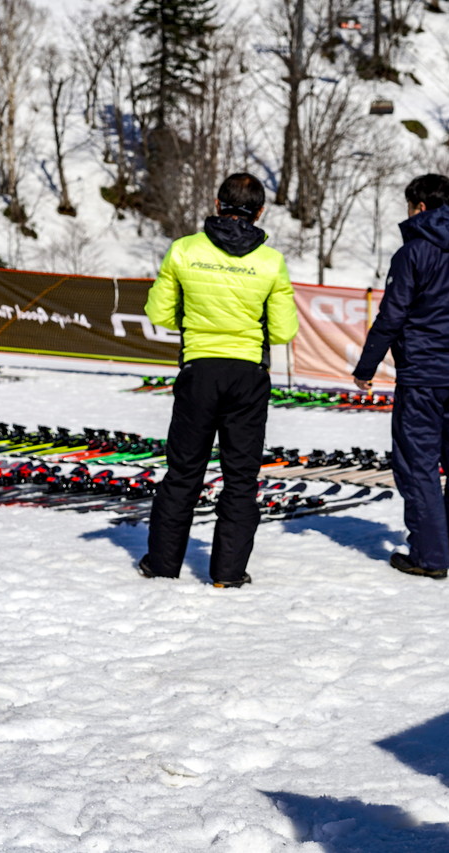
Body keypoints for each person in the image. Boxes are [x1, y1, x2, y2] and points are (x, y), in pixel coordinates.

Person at [138, 173, 299, 588]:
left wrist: (194, 324)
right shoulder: (270, 261)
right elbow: (281, 332)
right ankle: (227, 573)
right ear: (260, 211)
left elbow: (158, 313)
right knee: (240, 477)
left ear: (216, 203)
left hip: (199, 370)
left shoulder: (184, 250)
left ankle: (162, 565)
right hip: (247, 374)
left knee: (184, 472)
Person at [352, 173, 449, 581]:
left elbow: (392, 316)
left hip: (421, 376)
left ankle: (430, 556)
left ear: (418, 206)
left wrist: (366, 367)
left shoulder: (412, 253)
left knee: (418, 464)